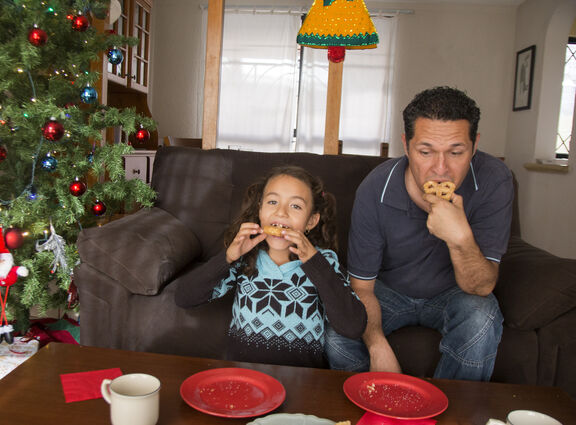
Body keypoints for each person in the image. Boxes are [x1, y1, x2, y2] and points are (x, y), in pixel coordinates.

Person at [326, 86, 514, 381]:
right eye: (425, 152)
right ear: (406, 145)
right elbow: (362, 288)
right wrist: (377, 346)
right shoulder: (374, 189)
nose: (441, 169)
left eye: (456, 152)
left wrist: (459, 237)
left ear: (474, 146)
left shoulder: (494, 180)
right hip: (388, 292)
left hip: (455, 293)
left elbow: (480, 288)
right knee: (339, 335)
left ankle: (447, 412)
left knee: (481, 315)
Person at [175, 165, 367, 368]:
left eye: (296, 206)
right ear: (259, 210)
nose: (281, 213)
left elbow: (353, 326)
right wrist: (228, 257)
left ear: (311, 221)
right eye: (273, 202)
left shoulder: (323, 262)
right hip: (244, 380)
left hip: (301, 383)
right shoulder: (243, 258)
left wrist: (315, 262)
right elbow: (184, 297)